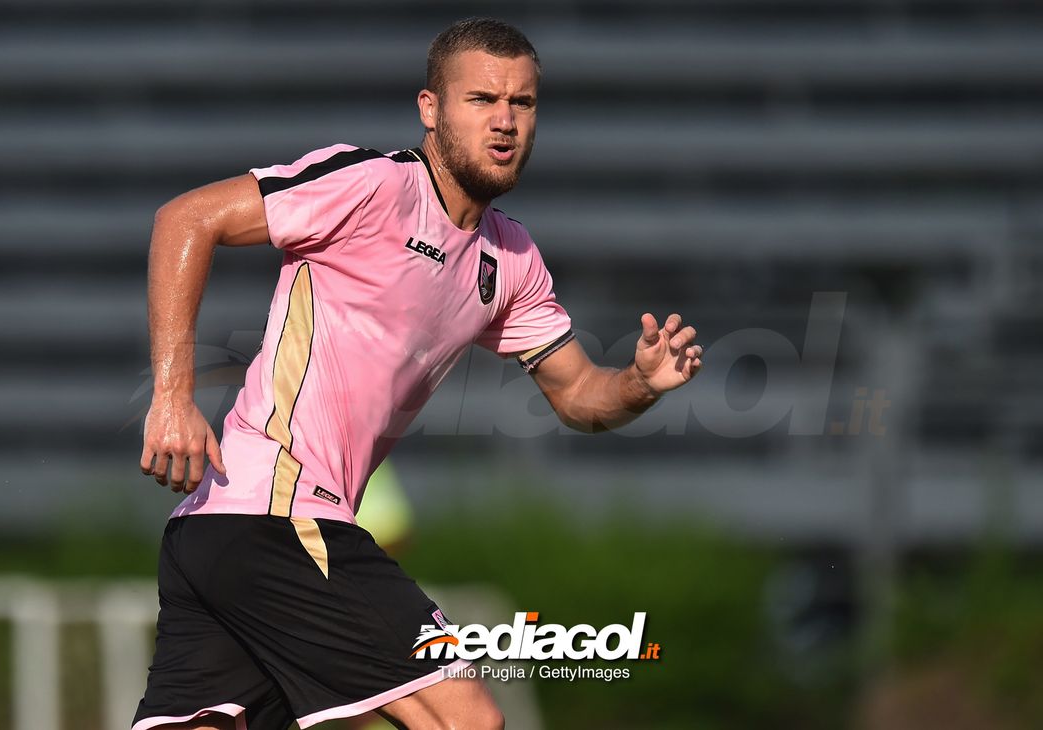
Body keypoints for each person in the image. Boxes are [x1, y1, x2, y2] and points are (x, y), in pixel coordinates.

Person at [135, 17, 702, 730]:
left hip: (224, 535)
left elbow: (579, 394)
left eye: (521, 104)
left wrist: (639, 385)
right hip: (275, 515)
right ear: (430, 109)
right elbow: (186, 218)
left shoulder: (511, 259)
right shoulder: (375, 186)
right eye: (481, 100)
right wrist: (172, 396)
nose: (504, 121)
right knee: (468, 721)